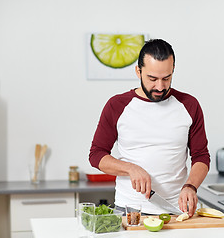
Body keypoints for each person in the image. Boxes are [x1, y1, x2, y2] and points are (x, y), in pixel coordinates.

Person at [89, 39, 210, 217]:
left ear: (173, 70)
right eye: (152, 79)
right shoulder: (117, 105)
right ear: (138, 71)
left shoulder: (189, 105)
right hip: (129, 211)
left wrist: (191, 186)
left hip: (177, 211)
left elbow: (201, 156)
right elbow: (96, 155)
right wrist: (130, 168)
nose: (160, 87)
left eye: (166, 78)